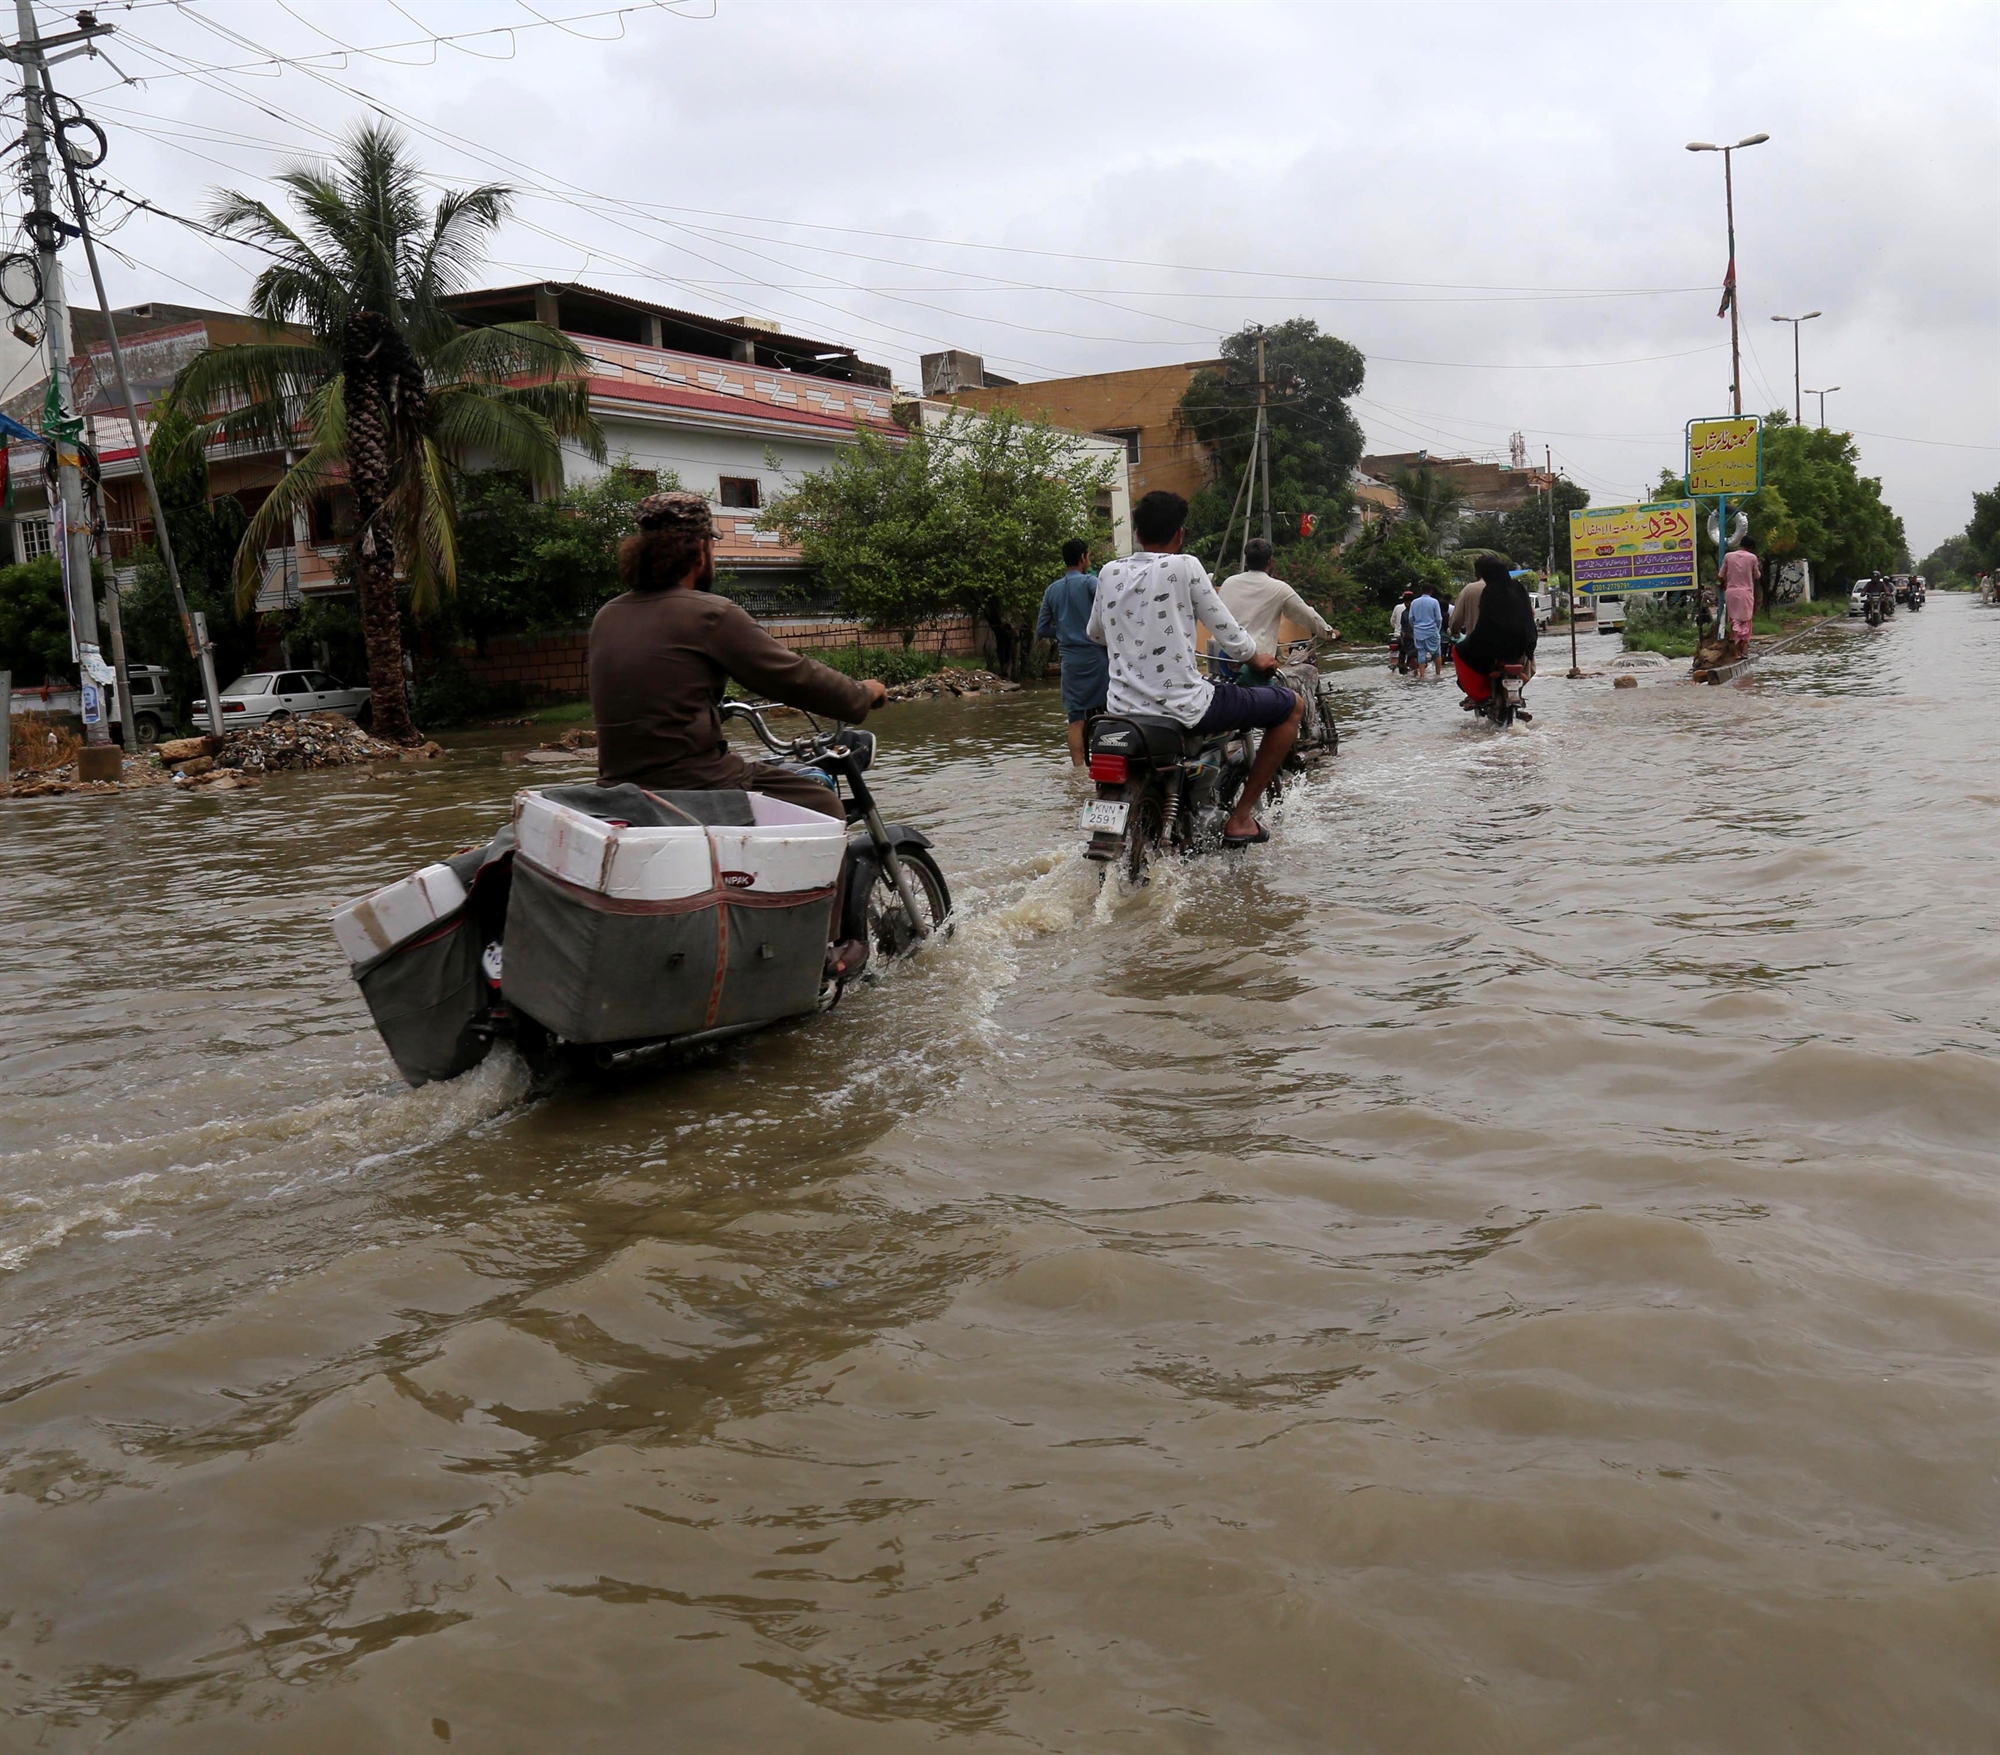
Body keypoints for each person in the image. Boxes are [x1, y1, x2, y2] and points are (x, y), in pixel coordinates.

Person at [589, 491, 887, 818]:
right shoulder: (710, 614)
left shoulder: (607, 616)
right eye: (712, 546)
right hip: (693, 782)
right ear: (699, 552)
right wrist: (861, 694)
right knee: (821, 802)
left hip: (617, 786)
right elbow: (793, 677)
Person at [1087, 490, 1301, 846]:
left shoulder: (1109, 571)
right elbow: (1228, 631)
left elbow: (1095, 633)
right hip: (1184, 706)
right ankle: (1242, 818)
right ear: (1180, 534)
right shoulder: (1184, 565)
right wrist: (1256, 657)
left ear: (1137, 533)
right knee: (1292, 705)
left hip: (1121, 712)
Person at [1220, 537, 1336, 747]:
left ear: (1247, 560)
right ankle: (1304, 738)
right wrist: (1329, 632)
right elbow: (1306, 615)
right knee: (1305, 675)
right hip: (1255, 665)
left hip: (1222, 661)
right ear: (1270, 561)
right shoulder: (1278, 588)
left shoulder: (1229, 583)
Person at [1036, 538, 1107, 766]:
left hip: (1070, 663)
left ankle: (1077, 772)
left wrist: (1064, 632)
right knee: (1107, 715)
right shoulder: (1090, 583)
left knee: (1076, 719)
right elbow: (1109, 607)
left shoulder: (1052, 590)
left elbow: (1042, 628)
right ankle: (1104, 765)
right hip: (1097, 660)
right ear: (1084, 558)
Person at [1450, 553, 1540, 705]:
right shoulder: (1518, 587)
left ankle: (1479, 695)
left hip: (1493, 645)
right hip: (1522, 644)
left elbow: (1485, 622)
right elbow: (1529, 614)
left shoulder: (1488, 591)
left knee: (1458, 651)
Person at [1720, 535, 1761, 660]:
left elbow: (1721, 574)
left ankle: (1736, 652)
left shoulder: (1728, 556)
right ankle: (1743, 650)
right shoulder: (1752, 558)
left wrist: (1722, 585)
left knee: (1735, 621)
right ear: (1751, 547)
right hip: (1746, 593)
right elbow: (1757, 575)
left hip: (1731, 592)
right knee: (1746, 621)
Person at [1407, 582, 1445, 678]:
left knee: (1421, 653)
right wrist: (1437, 629)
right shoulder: (1434, 602)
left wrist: (1415, 627)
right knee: (1437, 652)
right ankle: (1438, 674)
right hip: (1432, 631)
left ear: (1421, 591)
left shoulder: (1414, 602)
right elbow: (1439, 619)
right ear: (1431, 591)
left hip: (1418, 632)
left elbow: (1411, 618)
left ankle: (1422, 675)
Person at [1390, 588, 1415, 673]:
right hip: (1407, 637)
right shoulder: (1410, 611)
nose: (1406, 604)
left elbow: (1392, 621)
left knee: (1402, 655)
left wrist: (1397, 629)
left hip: (1400, 635)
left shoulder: (1398, 608)